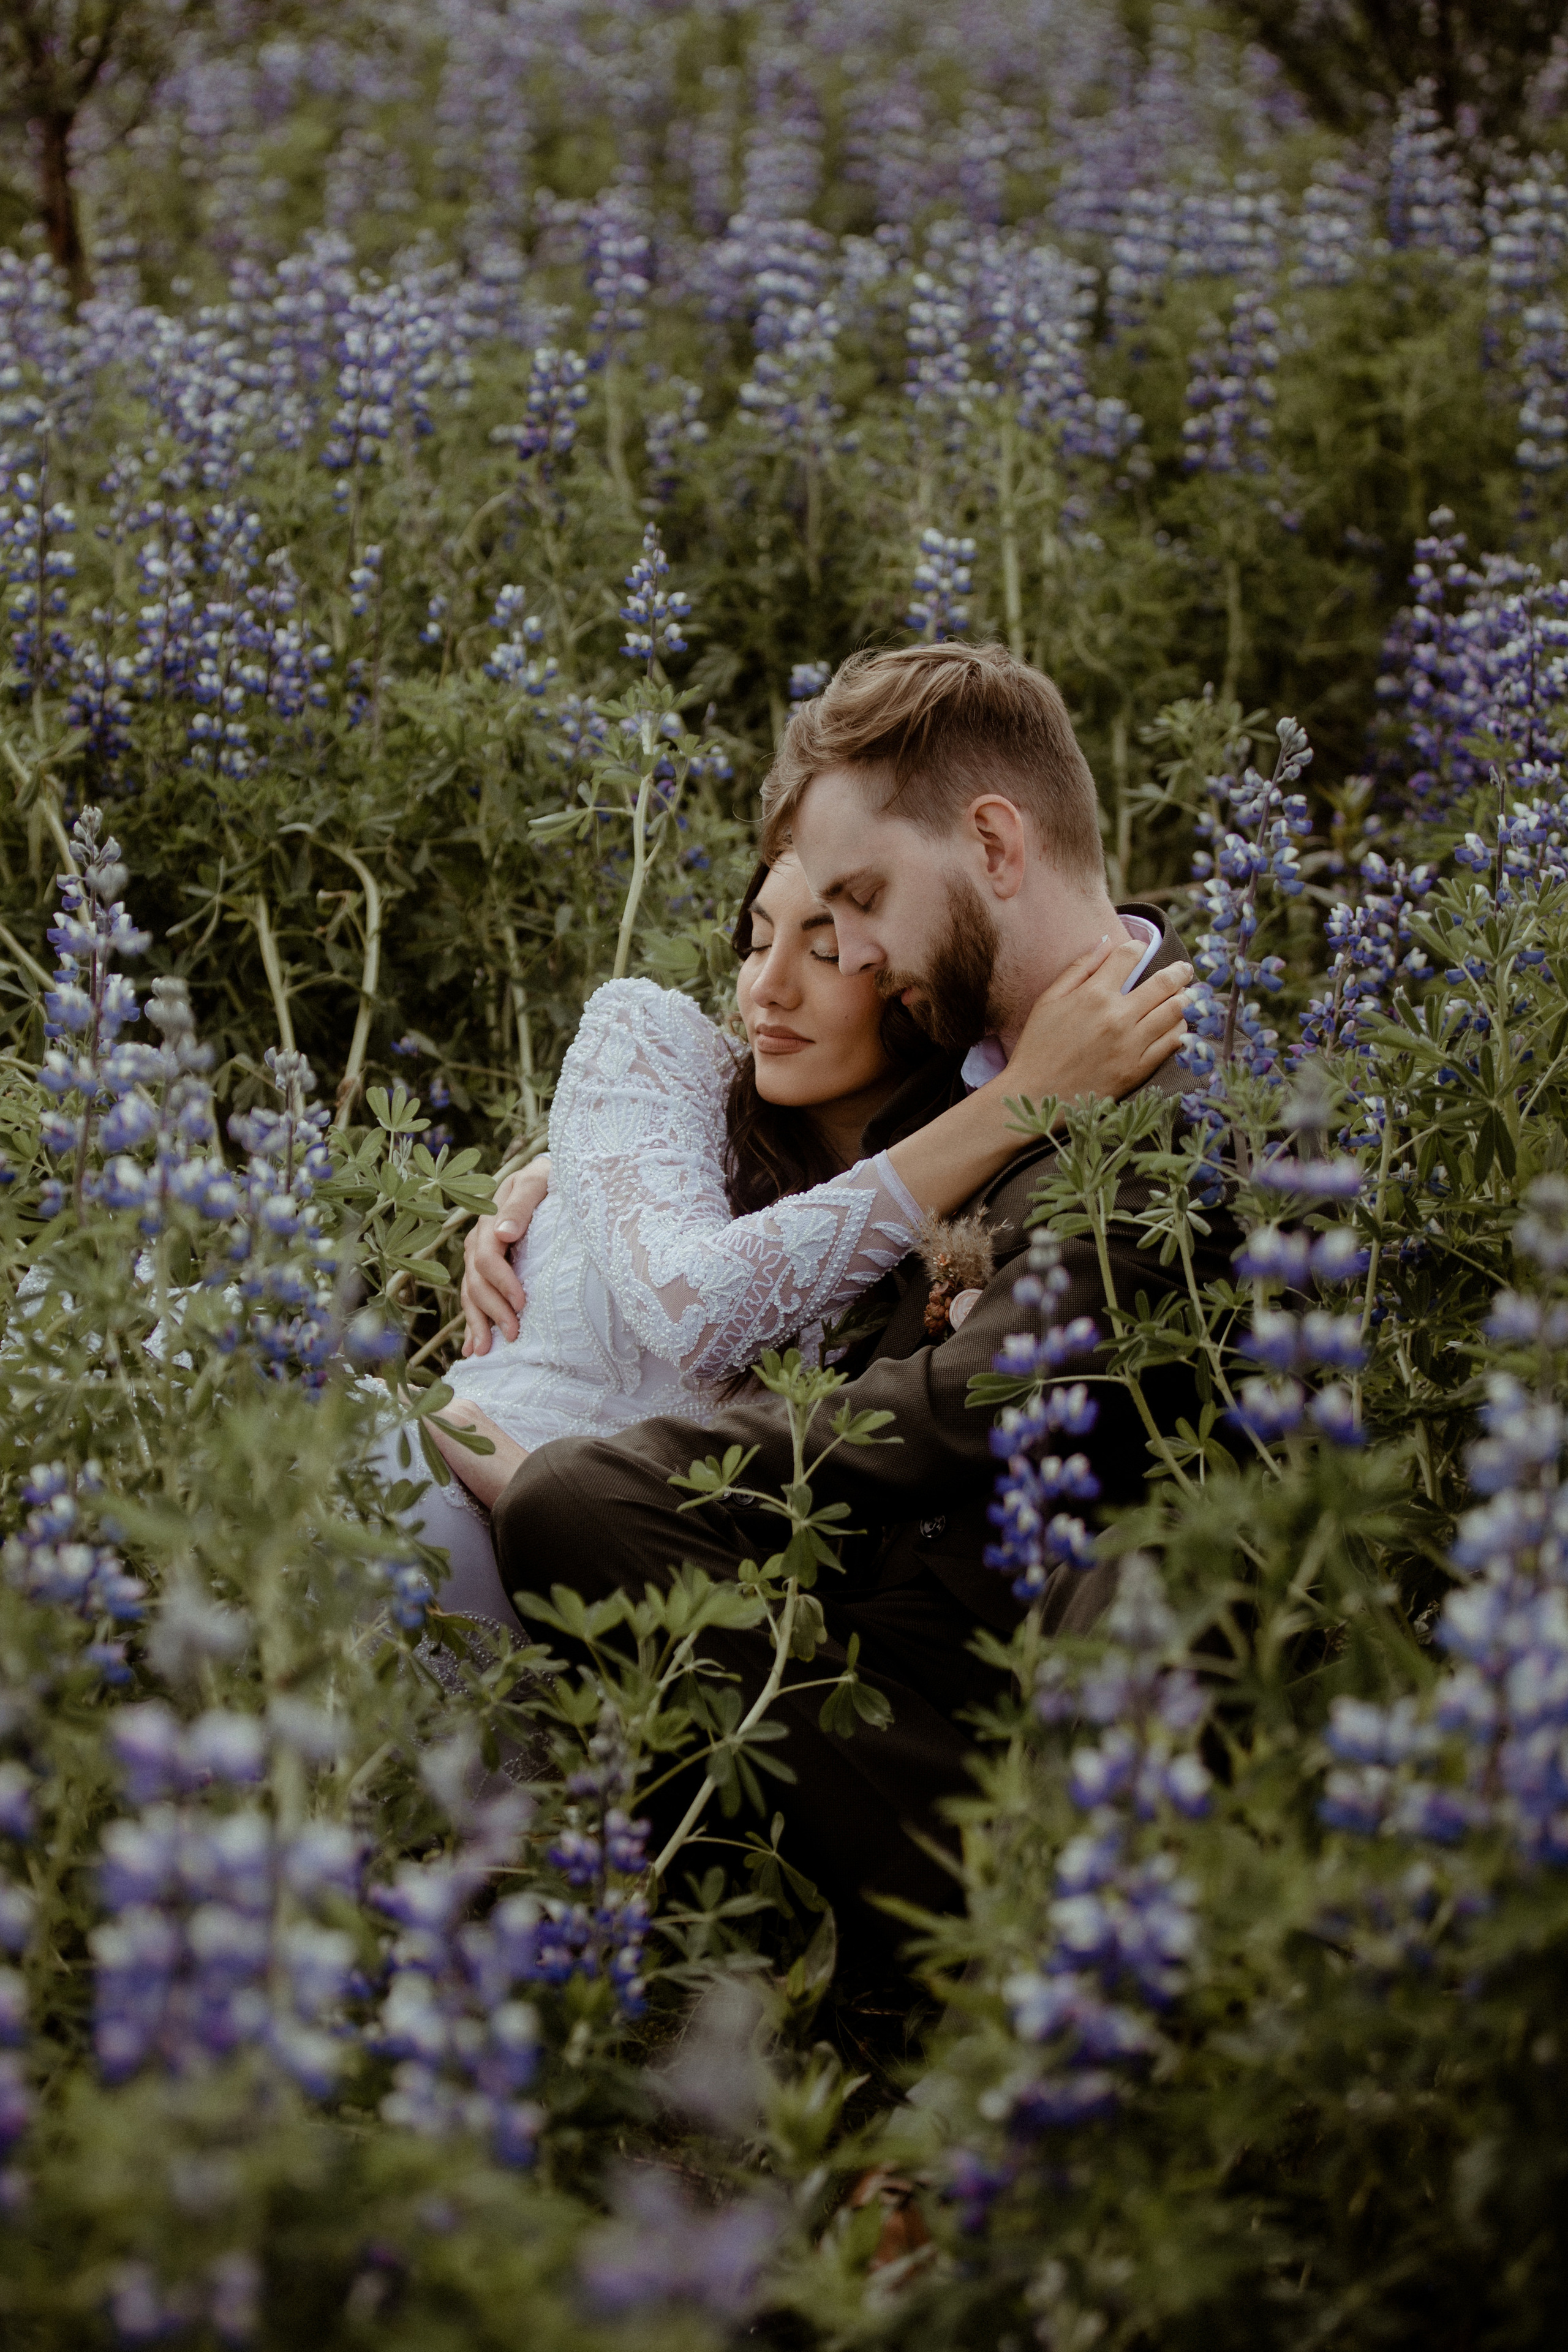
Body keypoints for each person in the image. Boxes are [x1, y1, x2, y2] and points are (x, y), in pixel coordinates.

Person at [451, 641, 1229, 1972]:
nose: (849, 949)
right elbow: (789, 1180)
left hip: (1027, 1676)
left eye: (860, 901)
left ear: (993, 844)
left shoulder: (1165, 1092)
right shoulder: (953, 1077)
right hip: (841, 1631)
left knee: (571, 1500)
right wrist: (559, 1185)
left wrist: (603, 1471)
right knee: (567, 1511)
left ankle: (1015, 1961)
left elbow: (953, 1403)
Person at [384, 840, 1189, 1652]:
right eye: (758, 940)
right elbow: (691, 1302)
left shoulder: (940, 1249)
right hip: (421, 1488)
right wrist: (1026, 1094)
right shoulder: (655, 1049)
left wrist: (533, 1488)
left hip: (604, 1637)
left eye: (827, 951)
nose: (768, 988)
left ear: (914, 982)